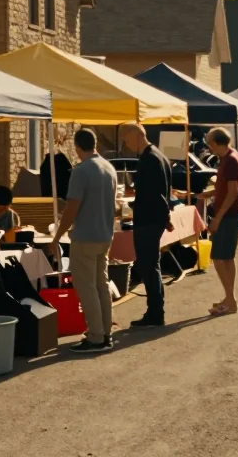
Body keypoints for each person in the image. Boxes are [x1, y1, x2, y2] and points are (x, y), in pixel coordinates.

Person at [51, 129, 118, 353]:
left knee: (86, 286)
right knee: (101, 284)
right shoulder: (109, 168)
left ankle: (96, 335)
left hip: (85, 237)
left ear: (78, 147)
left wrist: (58, 235)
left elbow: (72, 207)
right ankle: (105, 331)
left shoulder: (81, 171)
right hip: (105, 235)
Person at [123, 124, 174, 327]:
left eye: (127, 140)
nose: (126, 145)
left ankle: (155, 312)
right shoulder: (160, 156)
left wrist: (163, 215)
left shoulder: (149, 159)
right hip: (154, 218)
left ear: (137, 137)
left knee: (148, 266)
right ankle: (155, 310)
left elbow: (154, 194)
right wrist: (166, 216)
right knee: (152, 265)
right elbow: (162, 191)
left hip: (148, 219)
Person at [205, 128, 238, 317]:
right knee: (227, 257)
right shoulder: (230, 157)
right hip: (232, 214)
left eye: (208, 142)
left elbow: (233, 192)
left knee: (218, 257)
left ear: (214, 143)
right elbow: (227, 188)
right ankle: (230, 298)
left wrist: (217, 218)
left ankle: (230, 300)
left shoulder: (230, 160)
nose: (207, 145)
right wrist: (210, 193)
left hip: (229, 215)